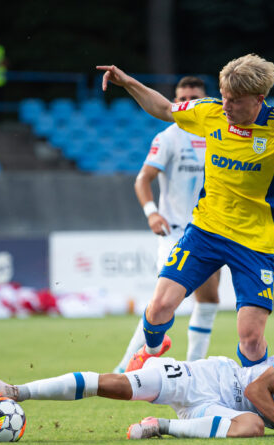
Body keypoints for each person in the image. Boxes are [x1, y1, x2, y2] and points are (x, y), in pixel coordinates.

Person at [96, 55, 274, 371]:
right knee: (159, 308)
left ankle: (255, 405)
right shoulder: (210, 111)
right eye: (224, 97)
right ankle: (152, 348)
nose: (226, 107)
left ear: (258, 100)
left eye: (234, 102)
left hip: (254, 242)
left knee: (250, 340)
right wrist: (127, 82)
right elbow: (165, 109)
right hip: (205, 231)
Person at [0, 343, 274, 439]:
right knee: (116, 385)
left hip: (219, 412)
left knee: (252, 429)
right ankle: (19, 390)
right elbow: (258, 389)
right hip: (215, 380)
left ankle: (163, 426)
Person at [114, 76, 221, 373]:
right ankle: (125, 366)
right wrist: (151, 212)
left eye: (194, 98)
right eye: (182, 98)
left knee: (209, 297)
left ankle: (195, 368)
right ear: (176, 102)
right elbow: (142, 179)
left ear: (204, 101)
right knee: (162, 301)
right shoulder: (169, 136)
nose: (187, 103)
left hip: (211, 229)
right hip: (175, 231)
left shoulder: (219, 133)